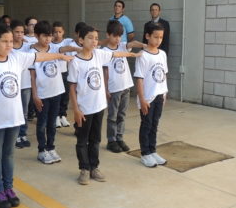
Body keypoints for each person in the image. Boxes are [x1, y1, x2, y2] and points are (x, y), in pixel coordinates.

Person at [0, 24, 73, 208]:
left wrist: (59, 56)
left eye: (11, 41)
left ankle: (8, 188)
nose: (9, 45)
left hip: (14, 118)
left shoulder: (16, 58)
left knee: (9, 154)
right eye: (4, 41)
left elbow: (40, 56)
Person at [68, 25, 139, 185]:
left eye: (96, 38)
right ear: (81, 40)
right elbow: (72, 87)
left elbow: (116, 53)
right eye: (90, 38)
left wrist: (131, 54)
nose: (94, 41)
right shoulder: (75, 62)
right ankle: (84, 169)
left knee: (95, 139)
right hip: (84, 109)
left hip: (99, 106)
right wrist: (76, 110)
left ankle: (94, 167)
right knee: (82, 140)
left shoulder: (99, 54)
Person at [102, 20, 145, 153]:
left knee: (122, 114)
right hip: (114, 88)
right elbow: (104, 72)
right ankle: (111, 140)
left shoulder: (121, 46)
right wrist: (106, 90)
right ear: (108, 35)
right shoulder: (104, 51)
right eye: (115, 36)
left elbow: (132, 43)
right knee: (112, 116)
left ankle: (119, 138)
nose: (118, 39)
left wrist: (144, 45)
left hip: (126, 86)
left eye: (120, 36)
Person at [29, 21, 66, 164]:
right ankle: (41, 150)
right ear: (37, 36)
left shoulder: (54, 48)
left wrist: (77, 48)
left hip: (56, 92)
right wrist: (35, 95)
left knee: (52, 123)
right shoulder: (32, 53)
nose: (48, 39)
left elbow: (65, 48)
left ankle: (51, 148)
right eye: (45, 36)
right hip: (42, 95)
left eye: (50, 36)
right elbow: (32, 77)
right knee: (42, 123)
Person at [135, 22, 168, 168]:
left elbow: (164, 74)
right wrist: (142, 99)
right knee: (146, 124)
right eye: (156, 37)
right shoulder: (143, 55)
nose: (158, 40)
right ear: (147, 36)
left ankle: (153, 150)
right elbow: (139, 79)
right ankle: (145, 153)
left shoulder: (162, 54)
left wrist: (165, 93)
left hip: (159, 95)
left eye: (161, 37)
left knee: (155, 124)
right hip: (148, 97)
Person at [10, 20, 33, 149]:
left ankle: (23, 134)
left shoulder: (28, 46)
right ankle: (15, 136)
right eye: (17, 32)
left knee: (24, 112)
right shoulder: (8, 47)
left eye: (22, 32)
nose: (19, 34)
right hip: (12, 86)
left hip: (25, 84)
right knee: (14, 112)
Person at [51, 21, 77, 128]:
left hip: (64, 72)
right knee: (56, 96)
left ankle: (63, 115)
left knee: (65, 96)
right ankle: (56, 116)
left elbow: (77, 40)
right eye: (55, 32)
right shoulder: (50, 44)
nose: (57, 34)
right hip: (54, 74)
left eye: (60, 32)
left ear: (63, 32)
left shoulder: (67, 41)